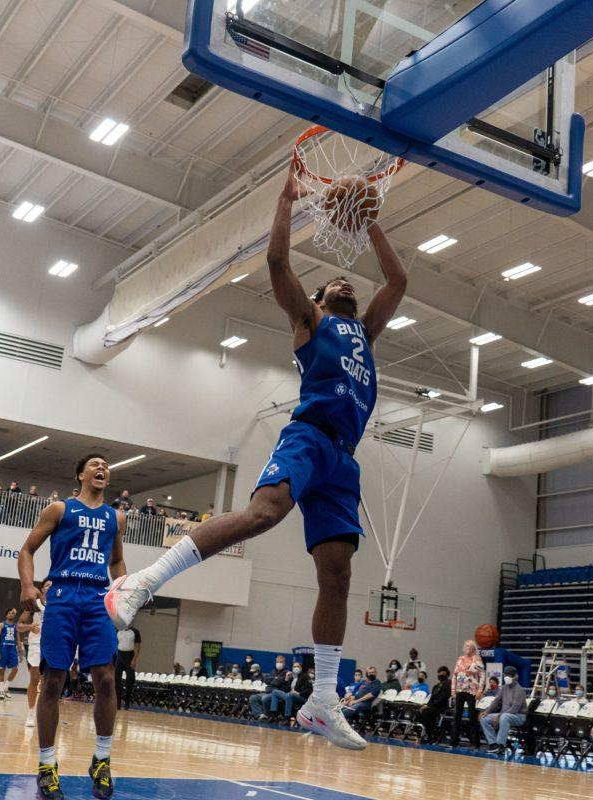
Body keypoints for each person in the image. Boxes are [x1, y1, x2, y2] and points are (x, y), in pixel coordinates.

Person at [103, 165, 407, 753]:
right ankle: (139, 583)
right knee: (263, 515)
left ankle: (322, 700)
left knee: (338, 575)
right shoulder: (310, 321)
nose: (345, 281)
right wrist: (286, 204)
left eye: (349, 280)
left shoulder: (366, 333)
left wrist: (370, 224)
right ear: (316, 302)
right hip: (310, 436)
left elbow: (398, 279)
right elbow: (277, 266)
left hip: (344, 460)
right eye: (332, 282)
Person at [18, 453, 127, 800]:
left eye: (106, 466)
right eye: (95, 464)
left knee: (107, 678)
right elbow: (27, 549)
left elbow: (117, 559)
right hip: (63, 595)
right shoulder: (60, 510)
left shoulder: (115, 517)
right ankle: (47, 766)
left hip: (97, 598)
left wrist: (124, 590)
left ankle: (103, 760)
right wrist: (27, 584)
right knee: (53, 680)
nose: (102, 468)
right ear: (81, 474)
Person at [20, 581, 50, 728]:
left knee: (48, 682)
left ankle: (43, 712)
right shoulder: (34, 604)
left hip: (53, 644)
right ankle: (31, 713)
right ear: (42, 588)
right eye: (47, 585)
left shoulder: (61, 604)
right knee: (34, 678)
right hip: (36, 644)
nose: (50, 587)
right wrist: (29, 627)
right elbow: (19, 626)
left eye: (53, 585)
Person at [480, 665, 528, 754]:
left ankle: (500, 745)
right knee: (484, 718)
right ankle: (493, 744)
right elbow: (496, 701)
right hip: (504, 715)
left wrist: (499, 715)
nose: (506, 677)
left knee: (504, 717)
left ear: (514, 676)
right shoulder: (504, 688)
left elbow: (514, 709)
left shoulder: (519, 690)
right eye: (505, 675)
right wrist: (487, 712)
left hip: (519, 716)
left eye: (509, 675)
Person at [450, 640, 485, 748]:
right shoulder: (460, 659)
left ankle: (475, 743)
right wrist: (453, 690)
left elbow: (482, 676)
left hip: (472, 691)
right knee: (457, 715)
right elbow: (455, 675)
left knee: (471, 716)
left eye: (470, 646)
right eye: (467, 646)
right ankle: (454, 741)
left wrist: (480, 690)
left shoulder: (477, 659)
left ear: (474, 648)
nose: (468, 648)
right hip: (460, 690)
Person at [418, 666, 452, 744]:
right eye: (439, 673)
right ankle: (432, 732)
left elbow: (442, 700)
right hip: (433, 707)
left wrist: (429, 706)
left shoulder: (448, 685)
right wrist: (426, 705)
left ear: (447, 674)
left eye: (443, 673)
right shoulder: (436, 686)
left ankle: (432, 734)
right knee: (419, 712)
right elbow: (431, 699)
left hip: (442, 707)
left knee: (426, 712)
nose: (441, 675)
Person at [0, 608, 20, 700]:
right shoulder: (1, 624)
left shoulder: (16, 626)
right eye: (9, 613)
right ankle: (1, 692)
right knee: (2, 670)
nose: (11, 614)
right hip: (3, 649)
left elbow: (18, 639)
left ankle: (5, 688)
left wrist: (20, 652)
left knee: (15, 669)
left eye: (12, 613)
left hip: (12, 649)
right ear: (6, 615)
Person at [114, 625, 142, 710]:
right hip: (119, 656)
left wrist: (134, 660)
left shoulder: (135, 631)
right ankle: (117, 703)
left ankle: (126, 702)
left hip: (129, 656)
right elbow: (115, 643)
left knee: (130, 679)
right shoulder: (118, 630)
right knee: (116, 681)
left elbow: (137, 646)